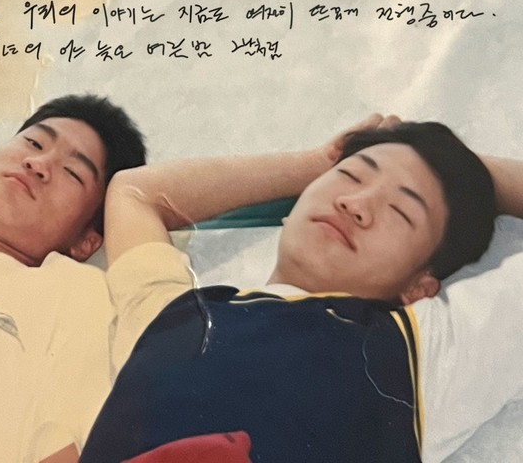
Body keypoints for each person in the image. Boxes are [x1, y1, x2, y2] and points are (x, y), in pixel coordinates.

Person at [78, 115, 523, 463]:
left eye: (402, 211)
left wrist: (460, 171)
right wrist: (313, 163)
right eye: (350, 176)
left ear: (418, 286)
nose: (355, 203)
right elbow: (135, 191)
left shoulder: (428, 353)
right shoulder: (168, 313)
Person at [0, 94, 146, 463]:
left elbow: (65, 451)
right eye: (33, 142)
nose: (38, 164)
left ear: (86, 241)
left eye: (73, 173)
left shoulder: (72, 292)